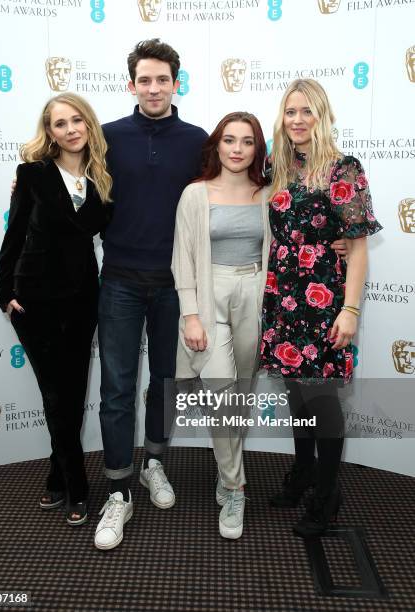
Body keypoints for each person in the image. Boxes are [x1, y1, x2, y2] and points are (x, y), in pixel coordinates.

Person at [94, 39, 208, 550]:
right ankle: (118, 489)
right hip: (118, 278)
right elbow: (62, 175)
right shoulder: (106, 136)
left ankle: (155, 465)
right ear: (131, 84)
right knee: (117, 388)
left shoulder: (197, 139)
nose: (154, 87)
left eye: (163, 79)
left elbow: (237, 187)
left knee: (165, 382)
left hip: (175, 284)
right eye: (145, 79)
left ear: (175, 82)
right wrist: (24, 183)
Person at [259, 79, 382, 537]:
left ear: (322, 115)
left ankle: (328, 494)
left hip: (324, 301)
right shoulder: (278, 165)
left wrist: (350, 311)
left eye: (306, 111)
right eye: (290, 111)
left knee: (322, 401)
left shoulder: (344, 171)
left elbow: (359, 248)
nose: (297, 119)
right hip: (283, 297)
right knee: (297, 398)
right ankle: (304, 474)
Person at [0, 93, 112, 526]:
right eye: (60, 124)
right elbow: (15, 232)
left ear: (89, 125)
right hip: (34, 298)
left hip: (82, 298)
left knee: (72, 391)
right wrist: (3, 289)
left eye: (77, 120)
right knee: (54, 393)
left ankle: (55, 475)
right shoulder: (32, 175)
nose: (70, 129)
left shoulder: (104, 179)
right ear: (50, 132)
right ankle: (78, 484)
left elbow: (93, 226)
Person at [172, 112, 272, 539]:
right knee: (220, 389)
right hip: (210, 294)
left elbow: (300, 237)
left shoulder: (269, 194)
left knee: (240, 393)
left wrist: (344, 242)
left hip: (255, 291)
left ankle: (226, 471)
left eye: (246, 141)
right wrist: (190, 313)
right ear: (216, 145)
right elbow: (183, 257)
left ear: (256, 148)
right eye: (229, 140)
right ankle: (236, 487)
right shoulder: (195, 194)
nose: (236, 148)